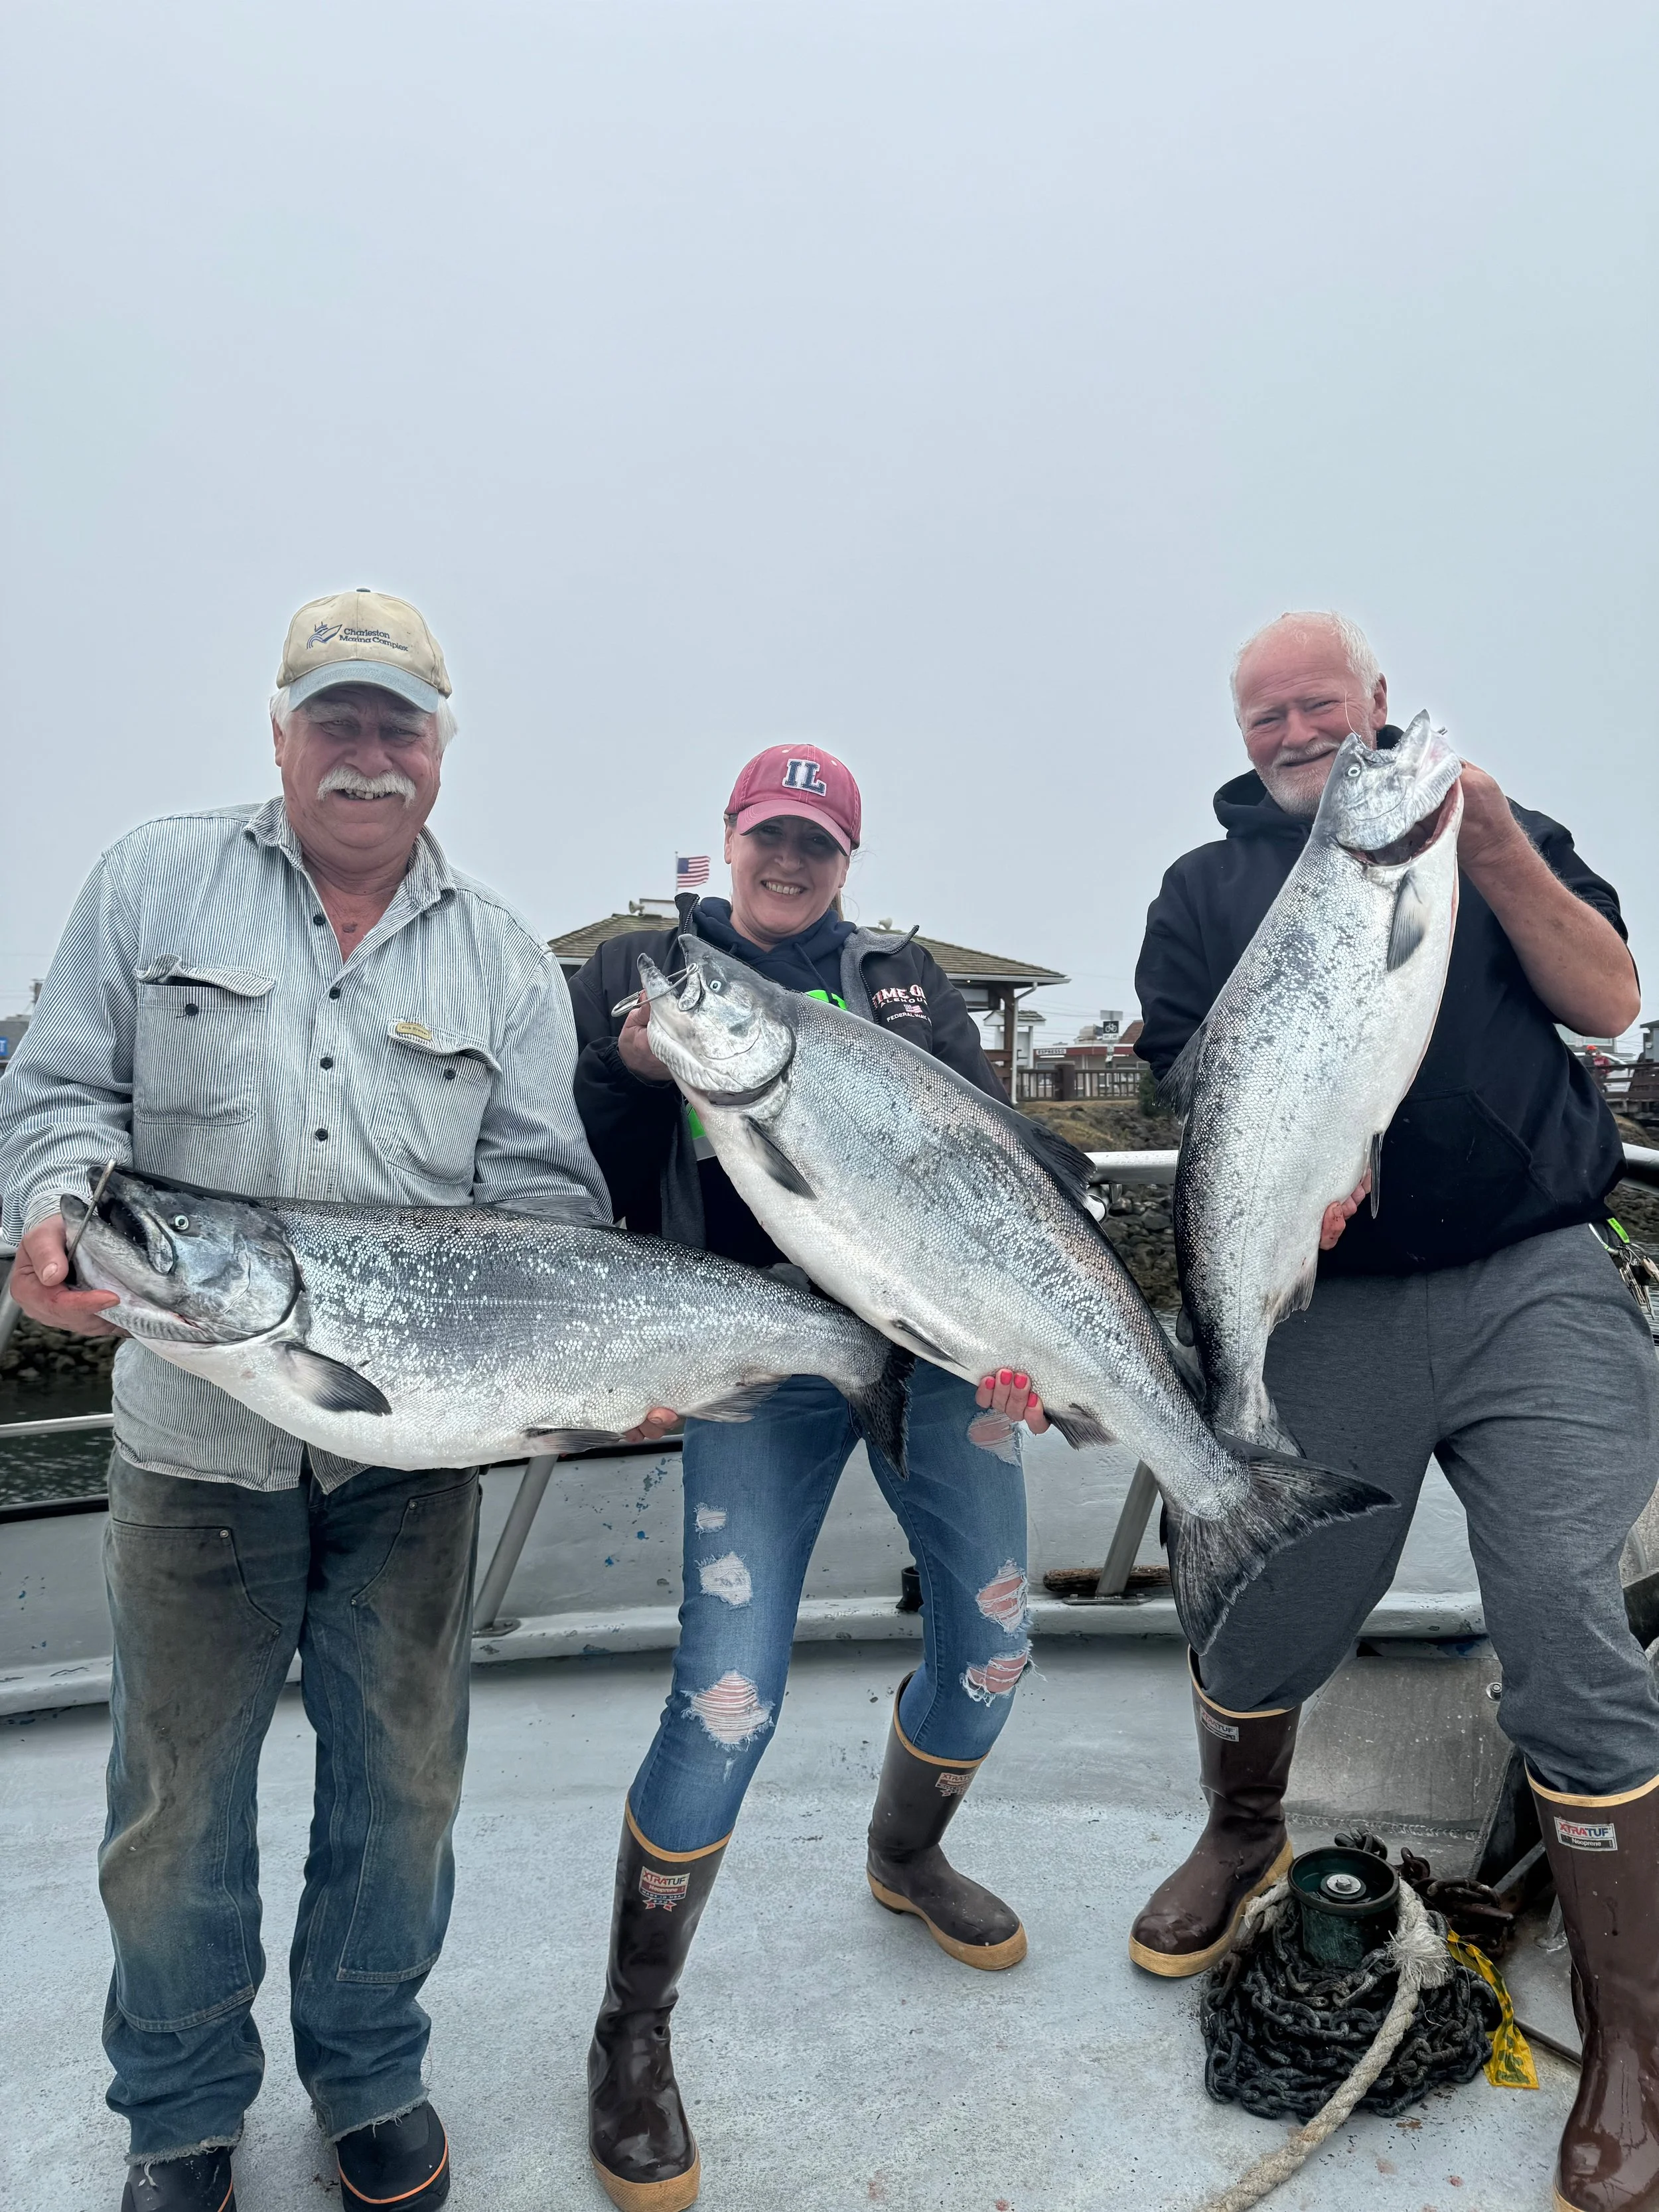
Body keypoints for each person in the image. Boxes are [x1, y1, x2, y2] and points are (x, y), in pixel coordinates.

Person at [0, 590, 620, 2212]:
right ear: (279, 733)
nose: (366, 751)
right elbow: (57, 1094)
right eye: (334, 716)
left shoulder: (504, 957)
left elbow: (547, 1201)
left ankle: (368, 2076)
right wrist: (54, 1211)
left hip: (413, 1464)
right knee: (172, 1809)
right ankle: (181, 2114)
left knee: (401, 1795)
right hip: (190, 1448)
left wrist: (589, 1368)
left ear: (440, 748)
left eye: (396, 722)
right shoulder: (152, 879)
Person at [1129, 611, 1658, 2212]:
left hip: (1529, 1277)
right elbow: (1191, 1087)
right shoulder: (1199, 892)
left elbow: (1606, 997)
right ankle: (1240, 1830)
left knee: (1563, 1608)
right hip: (1328, 1301)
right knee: (1267, 1594)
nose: (1296, 731)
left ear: (1373, 707)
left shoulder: (1497, 828)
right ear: (1240, 737)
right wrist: (1297, 1177)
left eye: (1321, 704)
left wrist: (1485, 839)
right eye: (1264, 714)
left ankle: (1632, 2042)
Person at [568, 743, 1045, 2212]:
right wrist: (630, 1064)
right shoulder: (640, 972)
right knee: (727, 1697)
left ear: (848, 861)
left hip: (936, 1345)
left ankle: (907, 1855)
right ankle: (632, 2024)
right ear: (729, 837)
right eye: (768, 835)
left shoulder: (905, 982)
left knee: (994, 1647)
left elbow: (987, 1165)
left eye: (816, 843)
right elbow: (592, 1159)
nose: (787, 861)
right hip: (750, 1354)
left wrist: (1023, 1337)